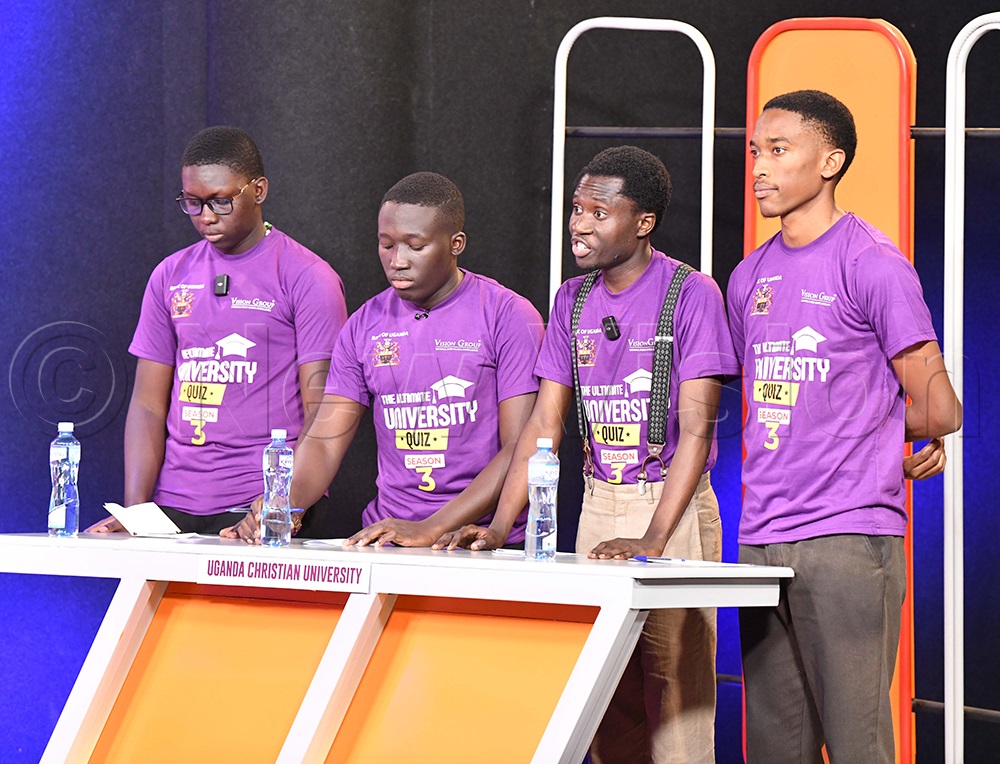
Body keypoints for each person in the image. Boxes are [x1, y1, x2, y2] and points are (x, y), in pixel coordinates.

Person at [438, 146, 739, 764]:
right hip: (597, 507)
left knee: (676, 696)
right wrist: (499, 526)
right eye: (577, 209)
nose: (579, 224)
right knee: (606, 693)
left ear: (643, 222)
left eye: (599, 213)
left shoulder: (691, 293)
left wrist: (654, 539)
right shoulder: (571, 300)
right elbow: (544, 424)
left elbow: (697, 431)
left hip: (669, 507)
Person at [729, 90, 962, 763]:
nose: (759, 168)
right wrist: (875, 431)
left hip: (847, 538)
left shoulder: (872, 263)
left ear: (830, 161)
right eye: (755, 151)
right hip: (761, 537)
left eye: (779, 150)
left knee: (859, 746)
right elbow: (777, 401)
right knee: (774, 749)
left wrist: (881, 437)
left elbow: (940, 408)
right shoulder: (748, 278)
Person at [224, 172, 543, 546]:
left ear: (455, 244)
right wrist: (281, 502)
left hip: (478, 540)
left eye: (415, 246)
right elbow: (325, 441)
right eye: (386, 245)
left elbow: (520, 448)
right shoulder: (365, 324)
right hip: (387, 537)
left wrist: (432, 526)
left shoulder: (508, 315)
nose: (398, 260)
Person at [88, 126, 347, 534]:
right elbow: (148, 405)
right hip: (172, 503)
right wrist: (136, 513)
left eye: (220, 201)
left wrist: (286, 501)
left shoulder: (308, 277)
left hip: (260, 504)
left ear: (258, 190)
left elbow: (324, 411)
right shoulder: (170, 275)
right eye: (192, 203)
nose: (206, 217)